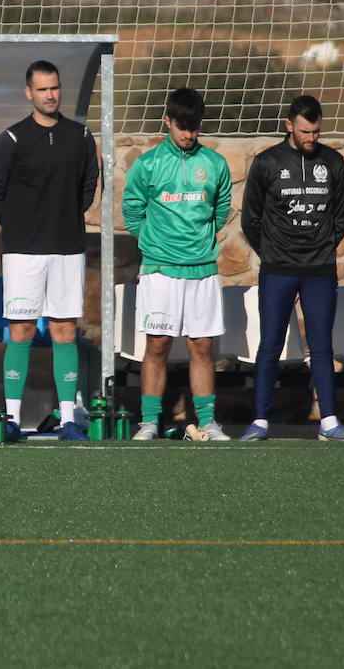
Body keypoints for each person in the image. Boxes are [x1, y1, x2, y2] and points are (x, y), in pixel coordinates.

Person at [0, 60, 100, 441]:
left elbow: (88, 186)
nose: (50, 95)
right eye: (42, 89)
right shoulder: (12, 139)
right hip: (23, 252)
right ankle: (13, 420)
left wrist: (63, 219)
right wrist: (22, 227)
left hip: (67, 249)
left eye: (54, 88)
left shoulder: (80, 136)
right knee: (19, 331)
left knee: (64, 330)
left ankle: (69, 419)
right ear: (28, 93)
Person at [239, 94, 344, 441]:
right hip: (277, 270)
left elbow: (341, 217)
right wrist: (274, 252)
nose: (311, 139)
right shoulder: (267, 162)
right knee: (270, 345)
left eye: (317, 132)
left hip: (319, 270)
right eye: (306, 132)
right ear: (289, 126)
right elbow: (251, 219)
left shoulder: (333, 162)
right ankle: (260, 421)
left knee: (321, 346)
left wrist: (319, 247)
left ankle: (329, 423)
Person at [121, 87, 232, 441]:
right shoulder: (148, 163)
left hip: (202, 269)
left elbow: (221, 208)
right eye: (182, 126)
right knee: (158, 345)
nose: (188, 134)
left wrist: (198, 242)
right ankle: (150, 422)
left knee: (202, 347)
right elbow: (132, 210)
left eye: (194, 127)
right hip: (159, 269)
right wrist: (154, 244)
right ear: (167, 121)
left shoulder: (214, 164)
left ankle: (209, 422)